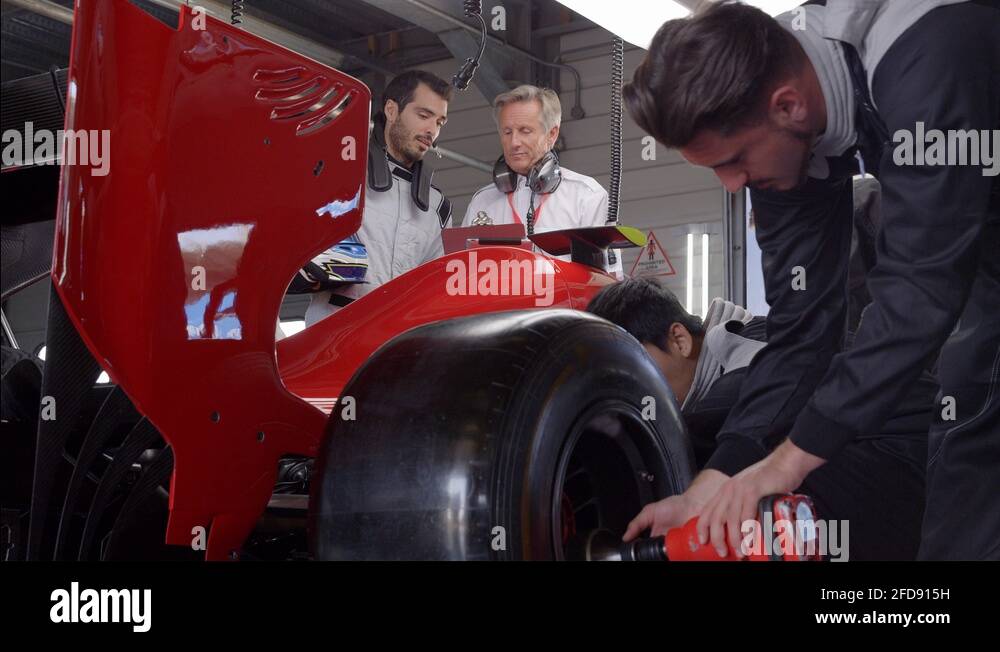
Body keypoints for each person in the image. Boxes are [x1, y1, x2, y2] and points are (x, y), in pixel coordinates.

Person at [622, 0, 998, 559]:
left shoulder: (926, 48)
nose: (731, 185)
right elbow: (801, 330)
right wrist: (716, 479)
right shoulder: (790, 127)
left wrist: (788, 462)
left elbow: (921, 288)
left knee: (974, 413)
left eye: (734, 160)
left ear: (789, 105)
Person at [587, 278, 937, 559]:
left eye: (634, 366)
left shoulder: (745, 346)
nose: (631, 388)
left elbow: (738, 413)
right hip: (903, 459)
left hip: (915, 455)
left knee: (742, 499)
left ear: (679, 339)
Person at [300, 70, 454, 326]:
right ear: (392, 110)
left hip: (396, 346)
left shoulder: (439, 208)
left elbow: (435, 293)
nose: (431, 130)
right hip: (332, 341)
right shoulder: (339, 175)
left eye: (439, 122)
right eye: (424, 115)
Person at [463, 85, 622, 276]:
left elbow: (609, 282)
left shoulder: (586, 196)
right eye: (507, 132)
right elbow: (462, 274)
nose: (514, 142)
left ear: (552, 134)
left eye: (525, 131)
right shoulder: (482, 202)